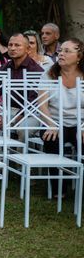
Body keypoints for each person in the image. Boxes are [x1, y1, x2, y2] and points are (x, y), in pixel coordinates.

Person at [40, 38, 84, 194]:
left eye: (67, 51)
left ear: (79, 57)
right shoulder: (49, 74)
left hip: (80, 123)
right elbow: (42, 104)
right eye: (60, 51)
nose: (61, 54)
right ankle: (59, 188)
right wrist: (51, 124)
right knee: (52, 138)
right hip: (55, 122)